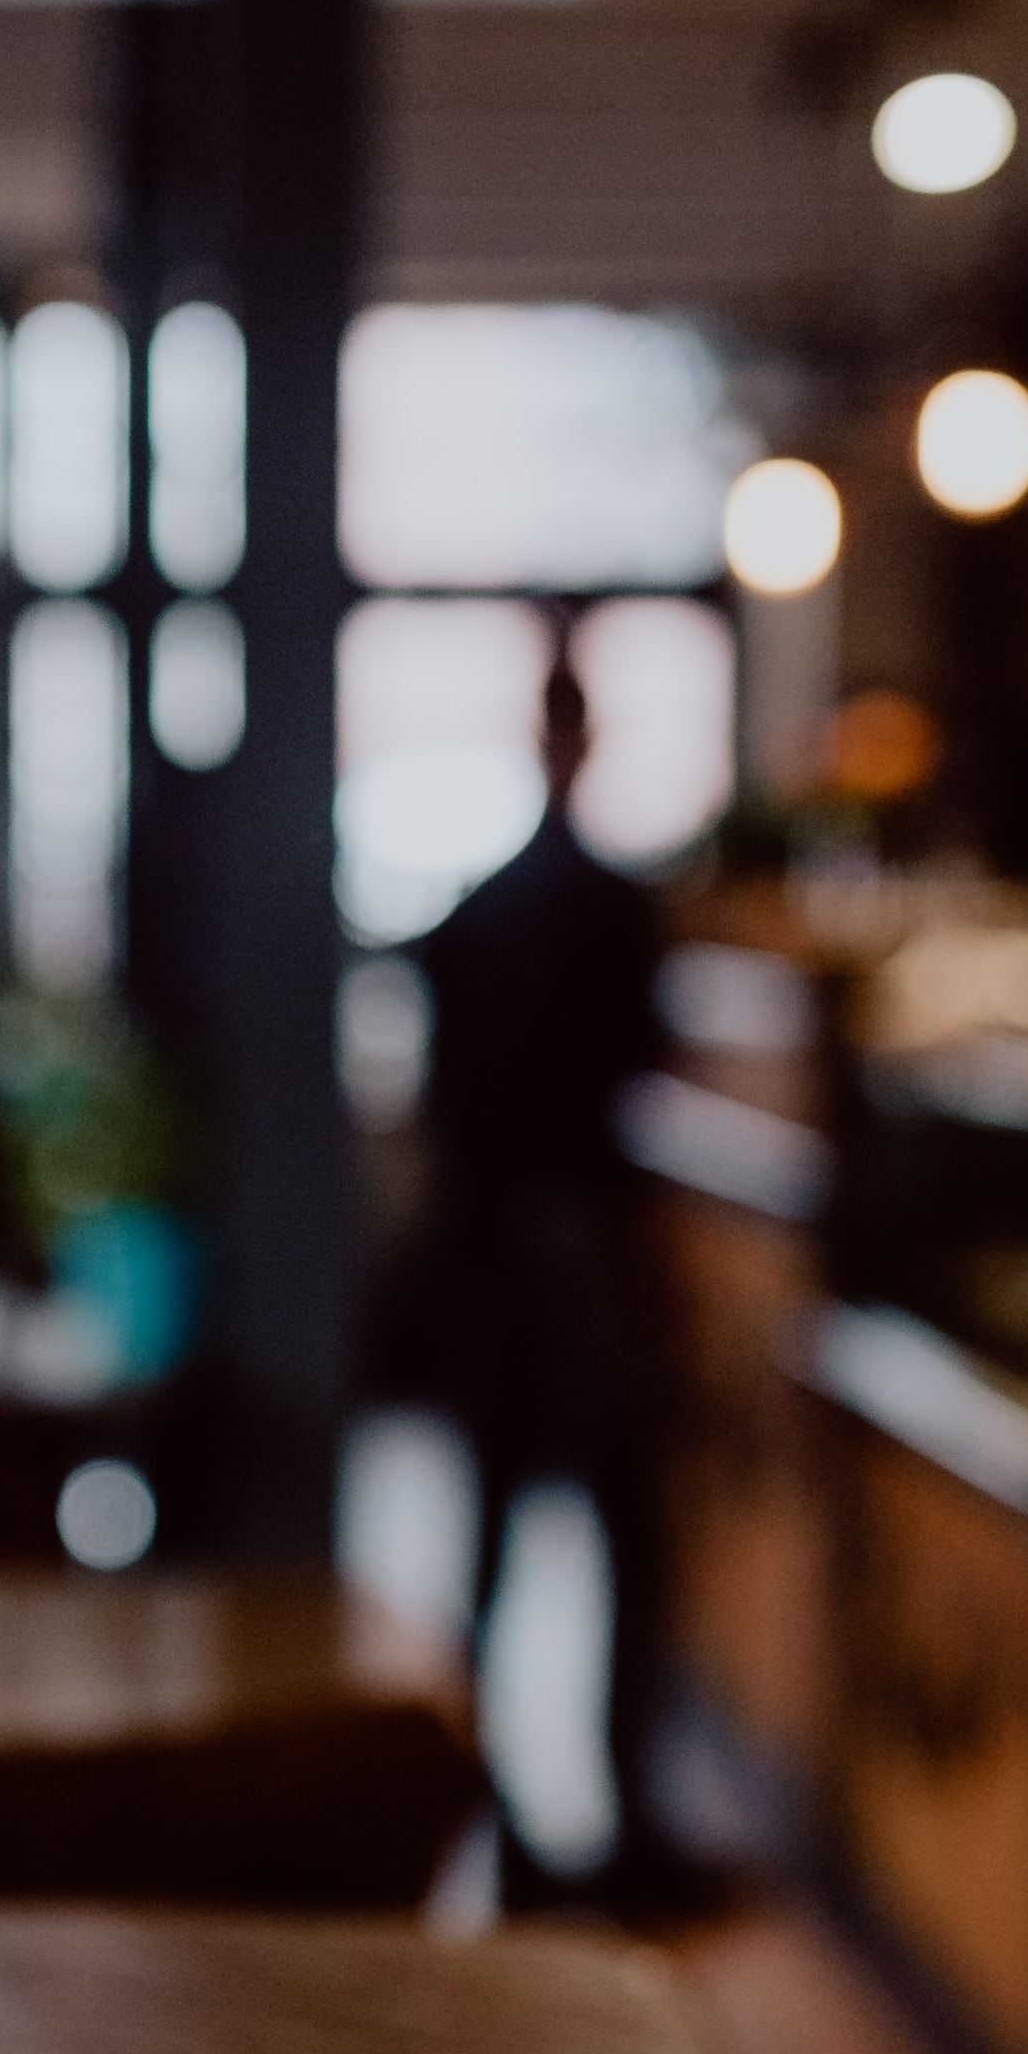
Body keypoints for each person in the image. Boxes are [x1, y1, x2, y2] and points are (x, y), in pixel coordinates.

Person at [390, 639, 694, 1904]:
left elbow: (435, 1102)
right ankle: (612, 1826)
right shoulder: (611, 907)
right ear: (583, 739)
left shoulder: (476, 911)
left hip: (485, 1262)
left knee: (497, 1549)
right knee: (622, 1541)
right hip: (577, 1266)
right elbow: (643, 1080)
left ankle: (495, 1816)